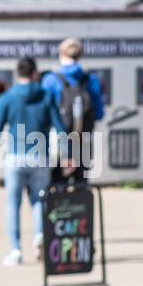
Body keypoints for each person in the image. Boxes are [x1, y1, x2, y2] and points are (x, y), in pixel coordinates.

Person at [0, 56, 69, 265]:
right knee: (40, 200)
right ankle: (40, 236)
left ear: (18, 74)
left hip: (15, 157)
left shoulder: (7, 98)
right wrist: (67, 155)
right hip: (40, 156)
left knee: (13, 204)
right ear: (35, 74)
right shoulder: (47, 96)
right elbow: (60, 127)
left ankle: (15, 250)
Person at [40, 38, 105, 183]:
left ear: (61, 54)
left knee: (55, 185)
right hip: (83, 139)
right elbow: (99, 113)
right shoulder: (91, 80)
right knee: (82, 185)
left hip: (58, 141)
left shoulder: (50, 80)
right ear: (80, 55)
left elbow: (44, 113)